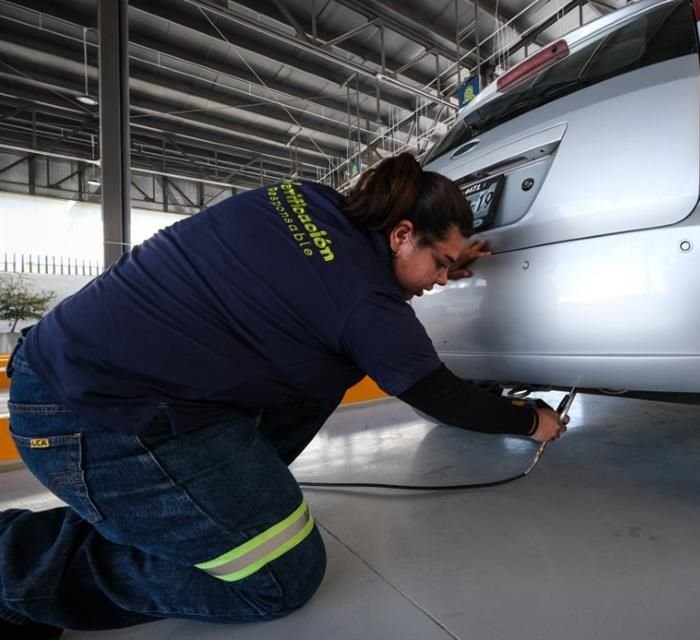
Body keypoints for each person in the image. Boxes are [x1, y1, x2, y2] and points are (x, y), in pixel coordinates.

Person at [1, 152, 568, 638]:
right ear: (399, 234)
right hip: (91, 419)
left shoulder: (304, 198)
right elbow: (443, 396)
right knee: (279, 577)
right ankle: (14, 573)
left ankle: (162, 518)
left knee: (325, 366)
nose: (441, 278)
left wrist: (448, 256)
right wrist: (528, 420)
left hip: (71, 373)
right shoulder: (367, 306)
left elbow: (315, 290)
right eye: (440, 264)